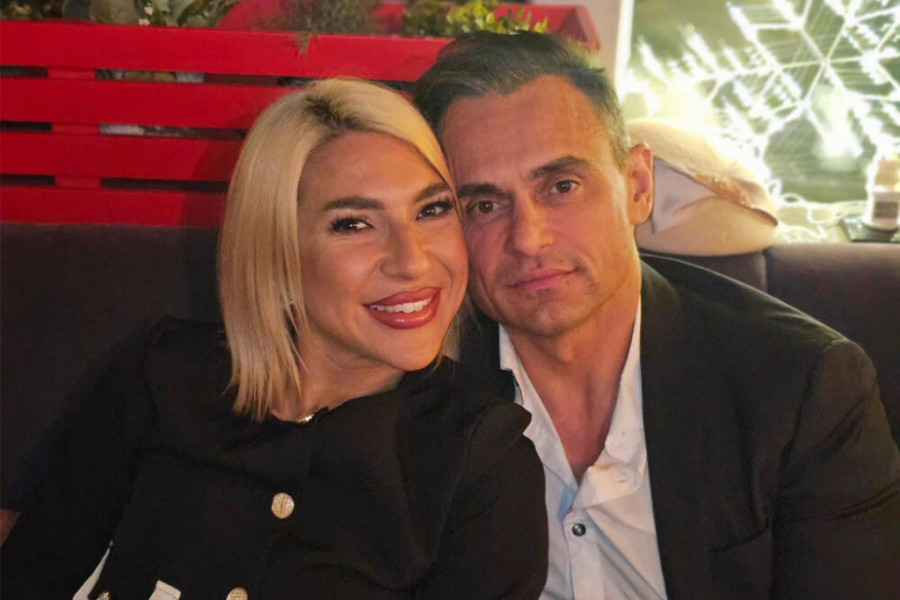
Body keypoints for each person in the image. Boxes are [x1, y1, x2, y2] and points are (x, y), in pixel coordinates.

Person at [1, 79, 547, 598]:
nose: (413, 261)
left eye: (431, 210)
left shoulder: (482, 464)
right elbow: (30, 577)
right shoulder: (161, 376)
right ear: (276, 251)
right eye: (353, 224)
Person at [413, 32, 900, 599]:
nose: (528, 238)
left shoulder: (802, 389)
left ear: (637, 187)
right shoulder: (420, 390)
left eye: (562, 186)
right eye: (485, 205)